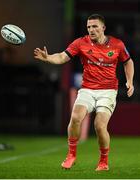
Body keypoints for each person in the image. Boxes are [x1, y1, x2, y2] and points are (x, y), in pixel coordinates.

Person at [34, 14, 134, 171]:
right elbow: (62, 56)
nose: (91, 30)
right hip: (87, 89)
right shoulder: (80, 43)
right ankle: (71, 155)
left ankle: (103, 162)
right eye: (88, 27)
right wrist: (48, 58)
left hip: (107, 91)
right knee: (75, 117)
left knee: (99, 126)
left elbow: (128, 62)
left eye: (94, 26)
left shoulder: (117, 44)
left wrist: (130, 81)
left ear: (103, 28)